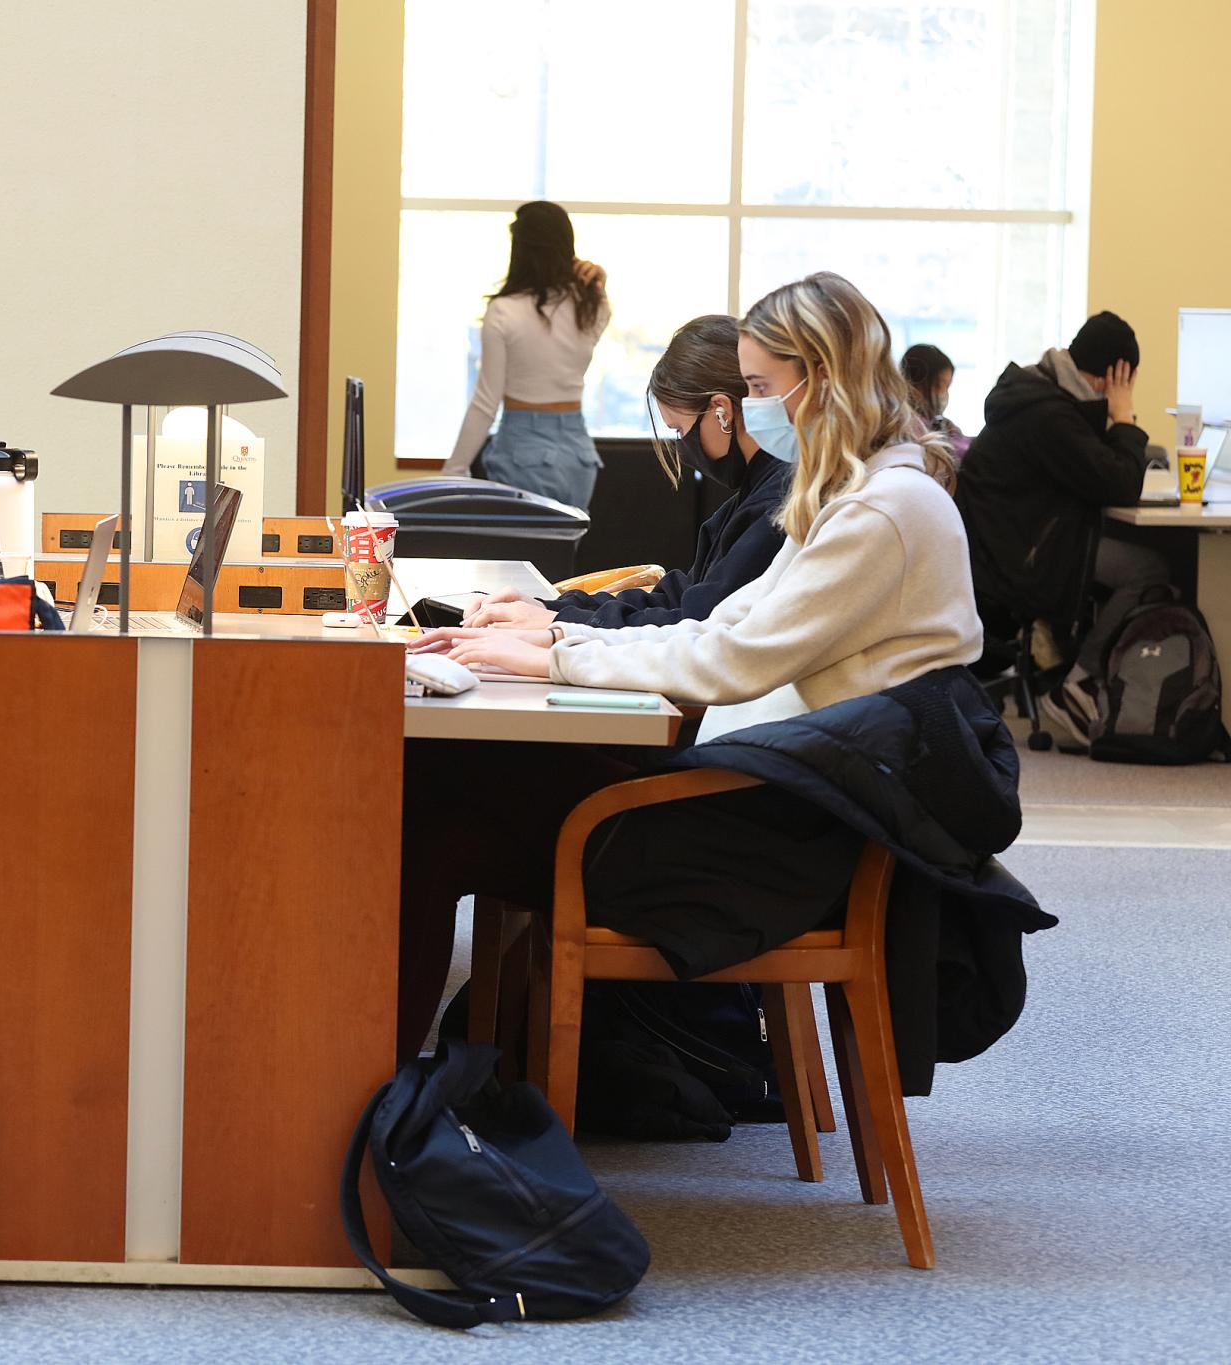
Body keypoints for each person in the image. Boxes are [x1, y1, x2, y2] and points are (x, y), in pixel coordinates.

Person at [396, 272, 986, 1059]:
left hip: (778, 839)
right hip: (771, 797)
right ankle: (382, 1086)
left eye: (758, 387)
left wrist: (558, 655)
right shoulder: (857, 496)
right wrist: (552, 647)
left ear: (822, 378)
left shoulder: (882, 513)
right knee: (449, 793)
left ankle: (372, 1096)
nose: (748, 410)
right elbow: (724, 623)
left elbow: (727, 660)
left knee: (440, 801)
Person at [456, 314, 792, 633]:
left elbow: (694, 624)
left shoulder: (774, 506)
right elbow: (678, 596)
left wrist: (559, 624)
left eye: (680, 430)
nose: (682, 447)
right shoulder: (752, 495)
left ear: (722, 411)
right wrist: (551, 609)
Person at [954, 311, 1158, 663]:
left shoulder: (1038, 393)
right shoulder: (1050, 415)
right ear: (1113, 376)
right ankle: (1082, 682)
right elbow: (1122, 484)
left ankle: (1070, 657)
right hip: (1021, 557)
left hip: (1006, 544)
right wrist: (1124, 418)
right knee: (1148, 570)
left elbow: (1099, 468)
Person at [440, 201, 610, 509]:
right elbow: (600, 306)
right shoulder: (591, 307)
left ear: (519, 248)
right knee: (563, 555)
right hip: (579, 454)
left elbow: (486, 402)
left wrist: (454, 469)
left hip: (522, 448)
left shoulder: (504, 312)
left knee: (522, 555)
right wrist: (598, 284)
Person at [899, 342, 963, 441]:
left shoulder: (944, 426)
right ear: (912, 384)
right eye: (938, 385)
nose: (943, 393)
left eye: (948, 386)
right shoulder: (902, 428)